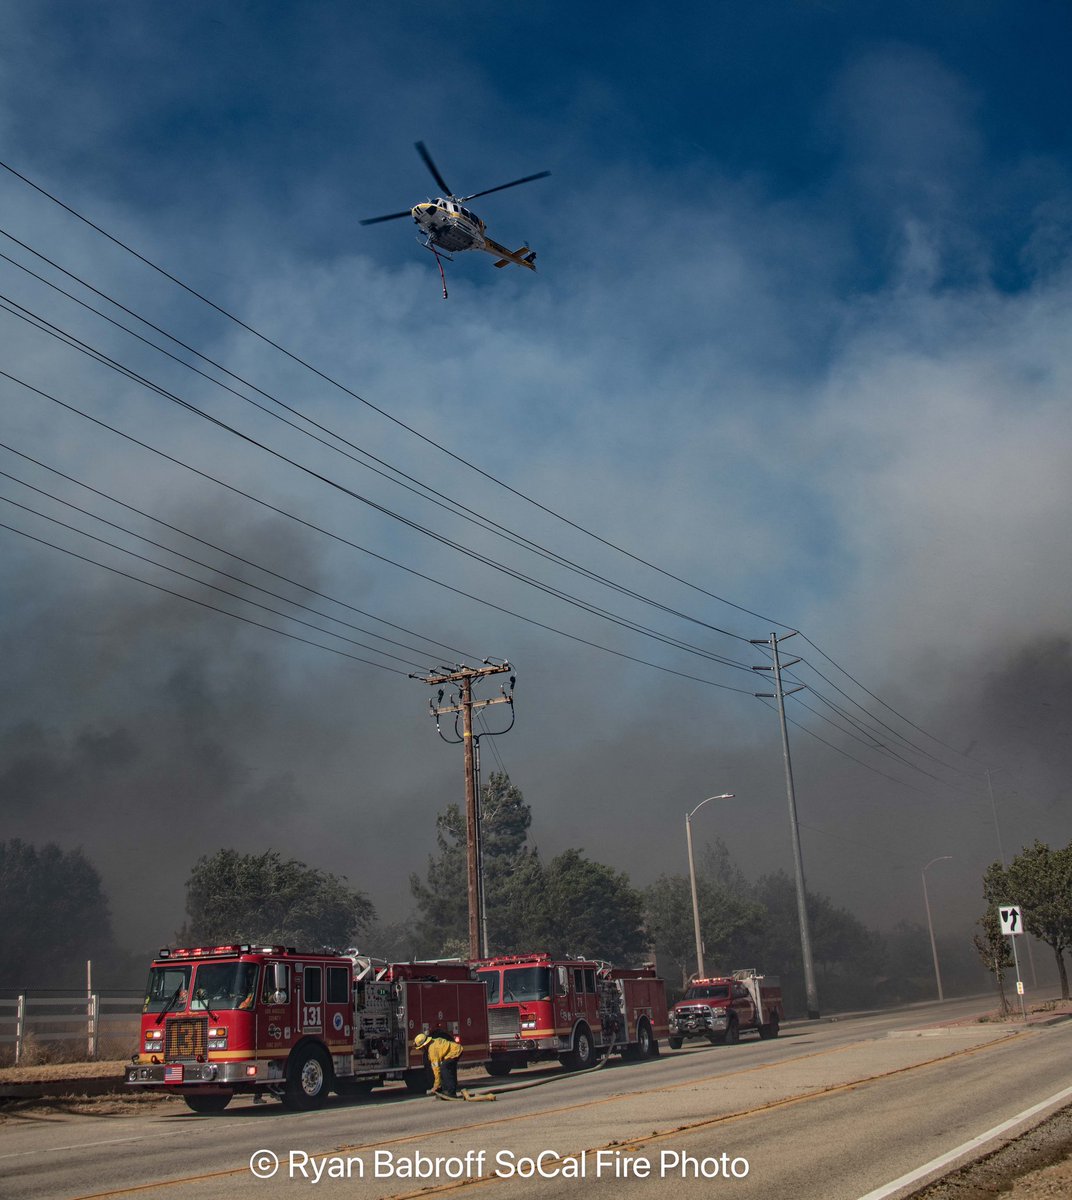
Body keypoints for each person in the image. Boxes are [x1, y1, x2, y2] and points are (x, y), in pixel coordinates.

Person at [413, 1031, 463, 1097]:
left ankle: (450, 1092)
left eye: (420, 1048)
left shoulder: (432, 1050)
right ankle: (446, 1090)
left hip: (455, 1052)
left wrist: (436, 1086)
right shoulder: (432, 1043)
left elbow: (436, 1070)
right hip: (455, 1050)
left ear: (424, 1045)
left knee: (444, 1068)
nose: (421, 1050)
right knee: (446, 1068)